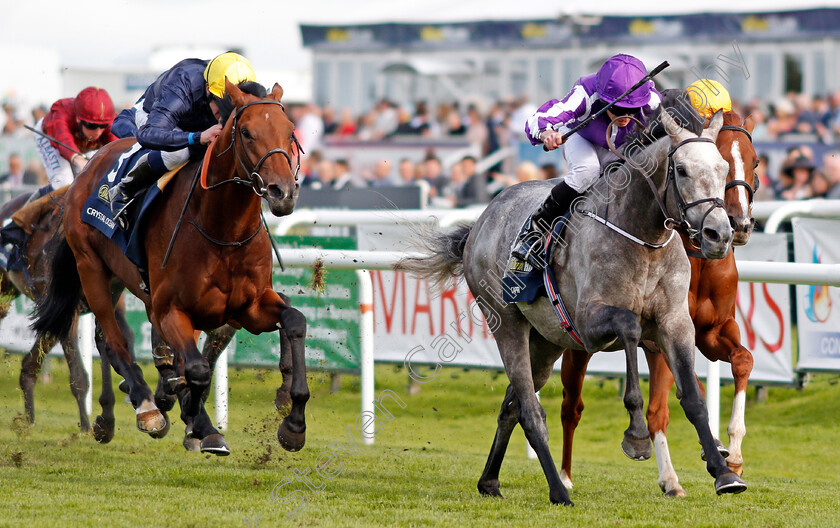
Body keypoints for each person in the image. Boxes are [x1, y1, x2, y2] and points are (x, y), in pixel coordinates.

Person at [510, 54, 662, 268]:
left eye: (632, 109)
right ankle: (535, 232)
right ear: (603, 98)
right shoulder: (584, 92)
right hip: (580, 137)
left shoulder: (651, 100)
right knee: (587, 171)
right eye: (618, 109)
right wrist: (547, 134)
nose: (626, 115)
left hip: (620, 144)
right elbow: (538, 120)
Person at [108, 51, 260, 229]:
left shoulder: (233, 83)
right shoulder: (183, 84)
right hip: (152, 117)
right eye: (221, 107)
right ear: (208, 89)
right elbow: (149, 133)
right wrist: (197, 137)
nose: (224, 115)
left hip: (193, 121)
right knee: (178, 154)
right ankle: (123, 191)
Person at [34, 86, 117, 190]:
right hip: (51, 137)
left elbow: (118, 150)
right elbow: (63, 140)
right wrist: (78, 159)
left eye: (103, 126)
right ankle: (41, 198)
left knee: (88, 180)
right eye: (92, 126)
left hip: (80, 144)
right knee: (64, 182)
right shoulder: (61, 115)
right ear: (78, 118)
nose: (98, 132)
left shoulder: (109, 120)